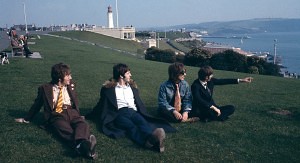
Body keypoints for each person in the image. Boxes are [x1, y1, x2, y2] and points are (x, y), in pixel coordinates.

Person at [85, 63, 176, 153]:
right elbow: (100, 105)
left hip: (133, 112)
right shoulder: (109, 89)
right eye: (128, 73)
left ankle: (152, 138)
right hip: (119, 113)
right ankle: (147, 142)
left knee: (142, 123)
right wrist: (87, 116)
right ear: (121, 76)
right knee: (131, 127)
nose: (130, 75)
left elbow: (138, 103)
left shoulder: (132, 88)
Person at [15, 63, 97, 159]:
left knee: (83, 124)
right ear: (59, 78)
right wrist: (26, 118)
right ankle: (85, 146)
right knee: (64, 128)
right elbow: (37, 105)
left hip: (71, 111)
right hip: (57, 114)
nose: (70, 77)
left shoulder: (71, 85)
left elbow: (74, 100)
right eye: (67, 75)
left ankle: (81, 146)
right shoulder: (45, 88)